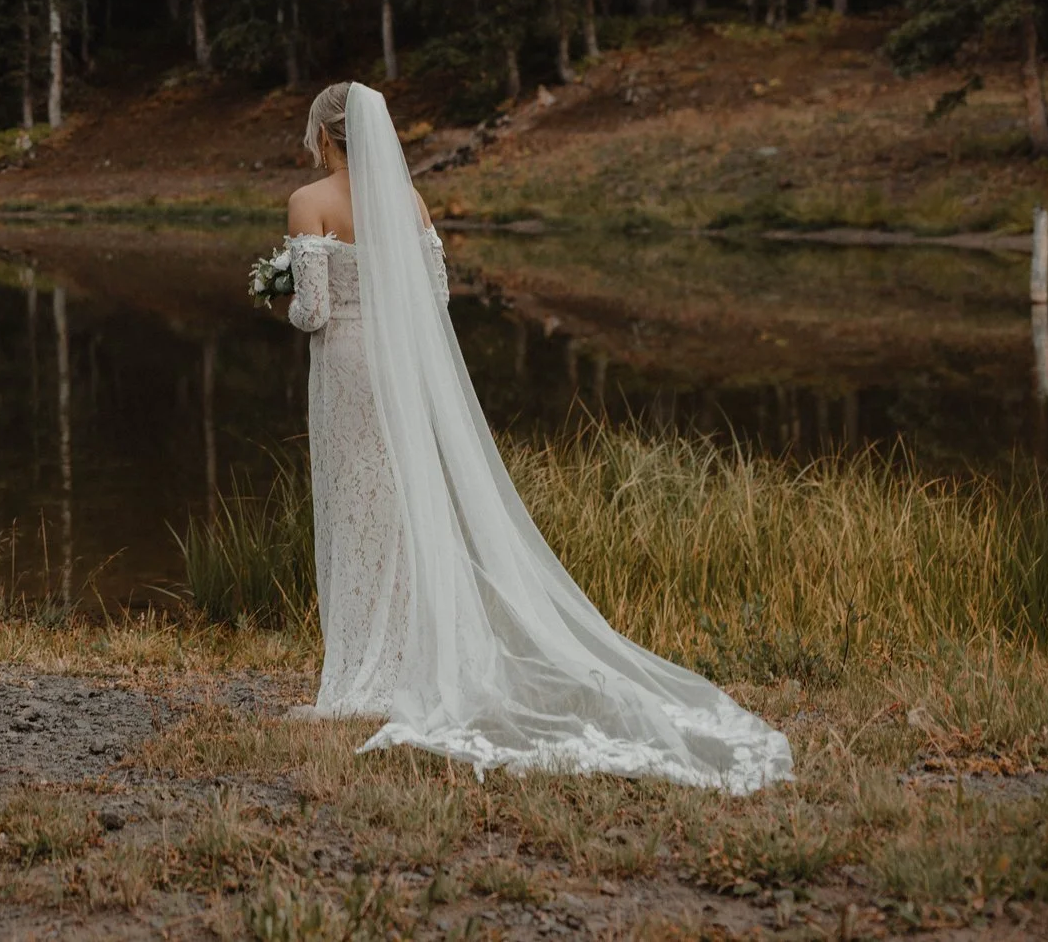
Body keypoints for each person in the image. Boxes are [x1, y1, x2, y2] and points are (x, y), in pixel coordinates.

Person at [279, 81, 792, 792]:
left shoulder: (309, 203)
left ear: (326, 135)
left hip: (348, 367)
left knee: (352, 502)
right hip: (404, 365)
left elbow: (313, 310)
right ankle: (402, 658)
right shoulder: (411, 201)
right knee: (403, 505)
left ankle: (360, 667)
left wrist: (279, 294)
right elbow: (434, 298)